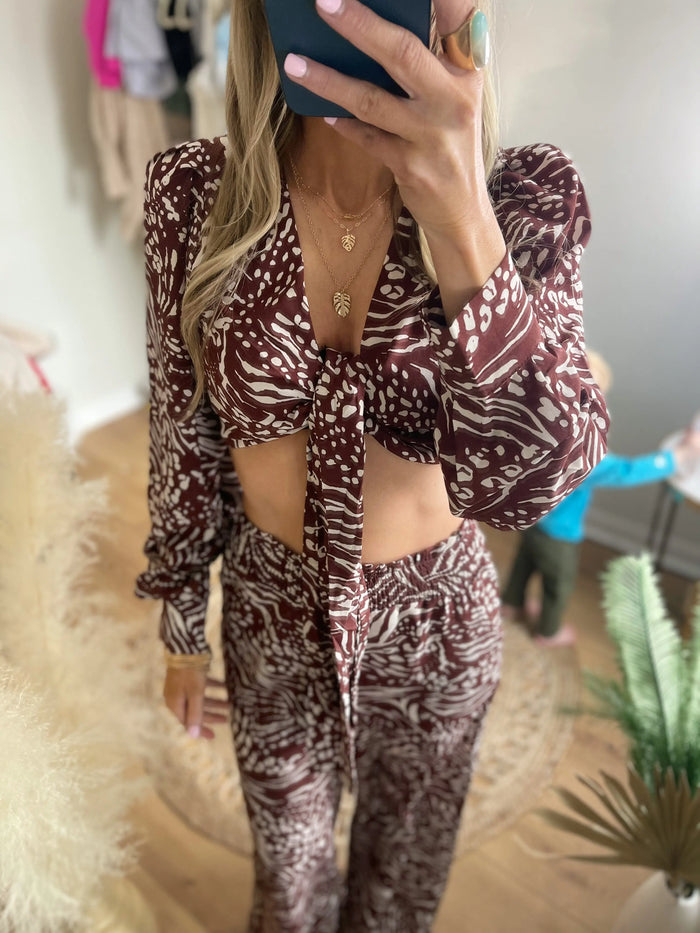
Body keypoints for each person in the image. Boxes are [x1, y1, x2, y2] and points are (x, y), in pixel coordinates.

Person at [133, 2, 609, 930]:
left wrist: (462, 222)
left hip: (439, 624)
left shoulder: (526, 199)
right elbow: (181, 424)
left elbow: (533, 485)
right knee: (289, 886)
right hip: (272, 608)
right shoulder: (193, 193)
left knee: (399, 888)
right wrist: (182, 618)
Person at [501, 351, 700, 648]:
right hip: (559, 534)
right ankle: (548, 631)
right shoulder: (583, 456)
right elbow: (626, 472)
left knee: (524, 563)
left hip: (532, 520)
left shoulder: (534, 431)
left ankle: (511, 604)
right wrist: (677, 457)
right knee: (558, 583)